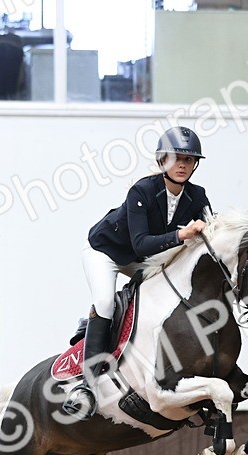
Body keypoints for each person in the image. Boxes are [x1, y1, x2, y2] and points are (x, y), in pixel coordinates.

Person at [63, 126, 213, 419]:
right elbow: (141, 243)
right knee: (105, 301)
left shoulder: (197, 196)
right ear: (162, 161)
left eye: (189, 160)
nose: (182, 164)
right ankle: (86, 384)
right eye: (176, 158)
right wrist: (183, 234)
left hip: (144, 259)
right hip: (106, 253)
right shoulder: (142, 191)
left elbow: (211, 235)